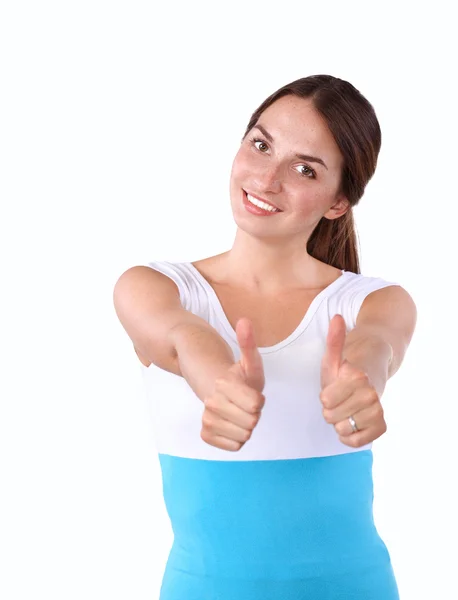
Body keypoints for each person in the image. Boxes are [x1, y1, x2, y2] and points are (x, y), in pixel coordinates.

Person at [113, 74, 417, 599]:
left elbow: (377, 346)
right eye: (261, 144)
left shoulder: (372, 301)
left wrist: (360, 382)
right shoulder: (155, 287)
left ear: (338, 201)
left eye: (304, 169)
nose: (267, 178)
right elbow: (183, 337)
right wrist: (217, 383)